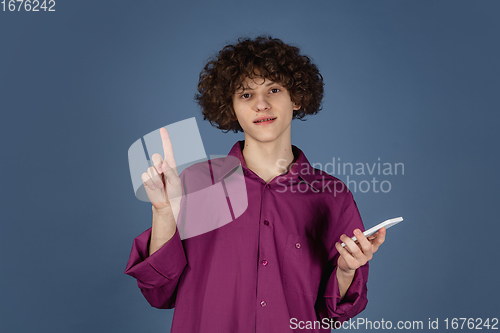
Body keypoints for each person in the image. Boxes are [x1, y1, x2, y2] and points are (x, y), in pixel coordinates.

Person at [124, 35, 386, 332]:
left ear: (296, 98)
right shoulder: (196, 183)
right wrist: (162, 211)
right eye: (246, 95)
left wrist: (347, 270)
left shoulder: (332, 196)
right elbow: (159, 291)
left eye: (274, 89)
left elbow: (334, 312)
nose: (261, 104)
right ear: (231, 107)